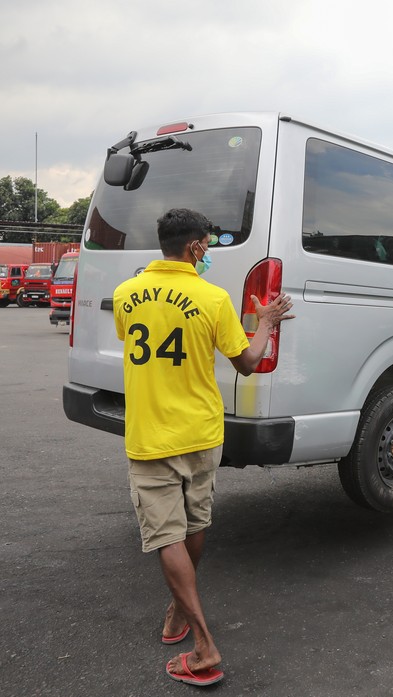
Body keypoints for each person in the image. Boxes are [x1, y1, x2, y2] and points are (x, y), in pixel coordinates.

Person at [113, 208, 296, 686]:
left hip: (151, 436)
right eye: (208, 245)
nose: (209, 252)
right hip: (202, 433)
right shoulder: (213, 299)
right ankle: (195, 634)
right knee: (192, 526)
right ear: (194, 247)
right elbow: (249, 363)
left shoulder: (125, 294)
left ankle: (192, 629)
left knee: (169, 534)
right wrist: (266, 321)